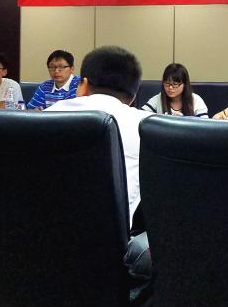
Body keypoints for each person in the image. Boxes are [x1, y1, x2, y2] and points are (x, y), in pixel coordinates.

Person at [46, 46, 150, 228]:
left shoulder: (49, 114)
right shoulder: (147, 126)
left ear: (83, 85)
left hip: (38, 232)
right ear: (133, 96)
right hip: (110, 238)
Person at [141, 63, 208, 117]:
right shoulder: (158, 99)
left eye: (175, 84)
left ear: (184, 84)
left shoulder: (196, 100)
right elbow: (140, 115)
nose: (170, 87)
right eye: (167, 83)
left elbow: (204, 125)